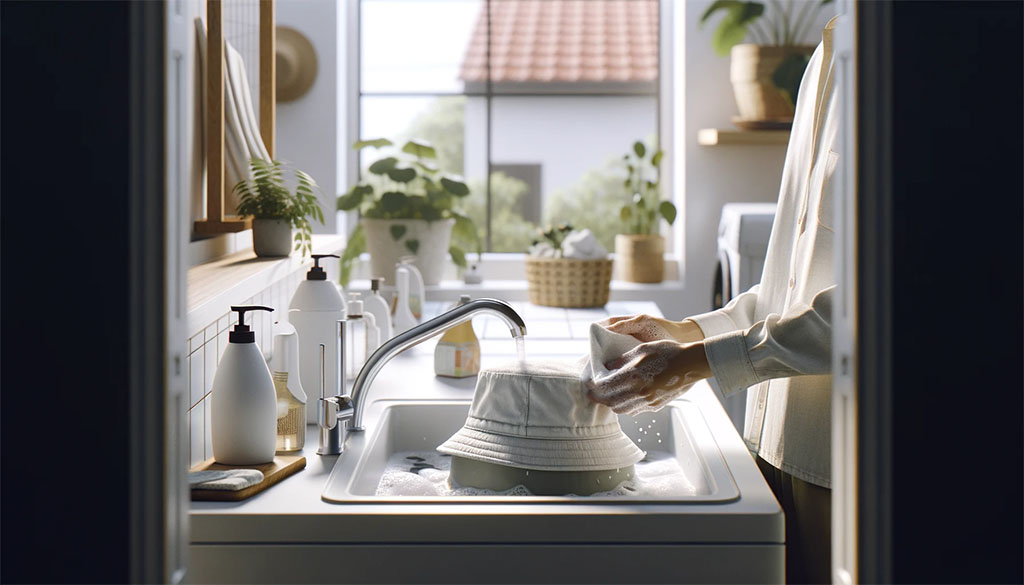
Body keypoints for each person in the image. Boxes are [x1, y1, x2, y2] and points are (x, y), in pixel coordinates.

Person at [586, 19, 840, 585]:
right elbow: (791, 287)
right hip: (778, 445)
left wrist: (700, 362)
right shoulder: (827, 56)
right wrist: (685, 333)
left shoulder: (918, 67)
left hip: (848, 463)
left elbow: (884, 307)